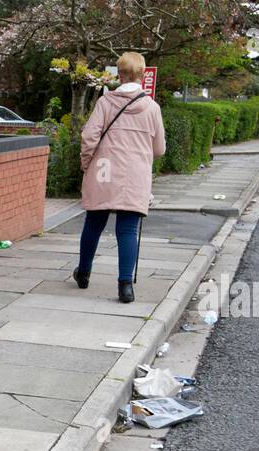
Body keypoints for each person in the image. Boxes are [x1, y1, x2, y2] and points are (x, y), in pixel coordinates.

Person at [74, 52, 166, 304]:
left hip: (104, 169)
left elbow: (89, 137)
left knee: (93, 223)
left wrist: (86, 165)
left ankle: (83, 273)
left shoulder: (105, 103)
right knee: (127, 230)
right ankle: (125, 286)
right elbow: (159, 150)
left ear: (119, 74)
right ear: (143, 74)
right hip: (134, 174)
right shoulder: (152, 108)